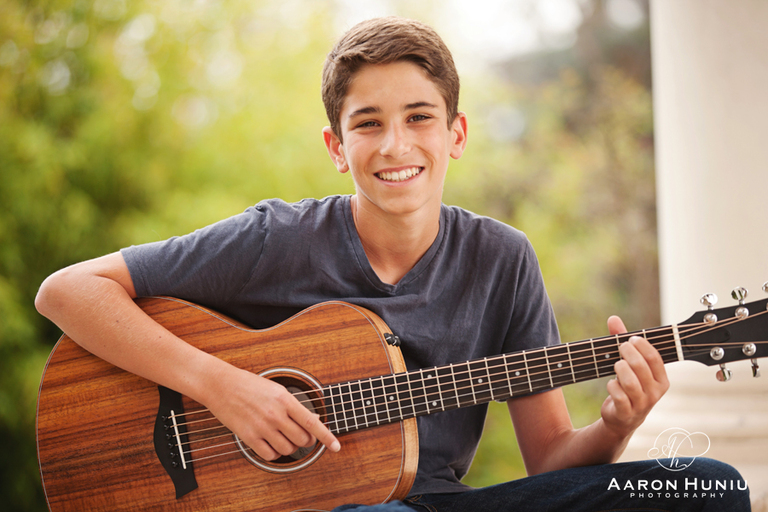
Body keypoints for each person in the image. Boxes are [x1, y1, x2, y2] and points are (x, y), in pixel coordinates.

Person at [35, 16, 749, 512]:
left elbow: (550, 466)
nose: (395, 145)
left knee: (707, 487)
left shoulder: (501, 259)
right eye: (368, 123)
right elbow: (67, 291)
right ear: (336, 147)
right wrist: (225, 388)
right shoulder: (275, 239)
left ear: (456, 133)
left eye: (419, 117)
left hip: (443, 505)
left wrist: (616, 426)